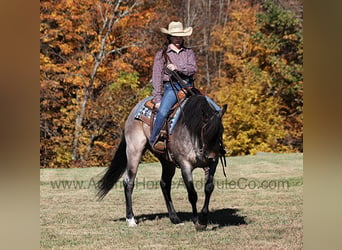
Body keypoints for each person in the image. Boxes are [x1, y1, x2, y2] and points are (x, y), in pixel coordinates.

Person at [149, 21, 220, 149]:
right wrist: (158, 98)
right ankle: (154, 139)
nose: (178, 39)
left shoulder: (189, 52)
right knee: (163, 112)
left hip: (189, 87)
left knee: (216, 110)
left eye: (180, 36)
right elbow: (157, 77)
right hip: (172, 88)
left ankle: (216, 143)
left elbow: (192, 69)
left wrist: (177, 68)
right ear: (169, 37)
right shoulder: (162, 54)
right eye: (175, 36)